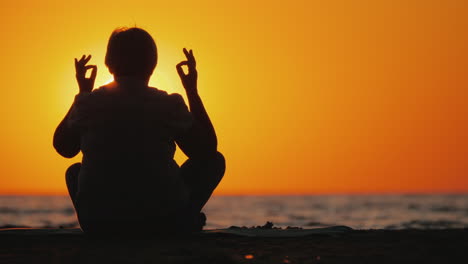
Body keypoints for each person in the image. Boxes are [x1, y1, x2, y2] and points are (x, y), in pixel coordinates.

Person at [53, 27, 225, 235]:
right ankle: (183, 218)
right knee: (215, 161)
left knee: (74, 171)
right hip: (161, 219)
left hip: (100, 223)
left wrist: (82, 93)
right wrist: (192, 91)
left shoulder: (89, 103)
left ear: (108, 63)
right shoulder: (168, 104)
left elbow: (64, 148)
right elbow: (206, 151)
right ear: (152, 65)